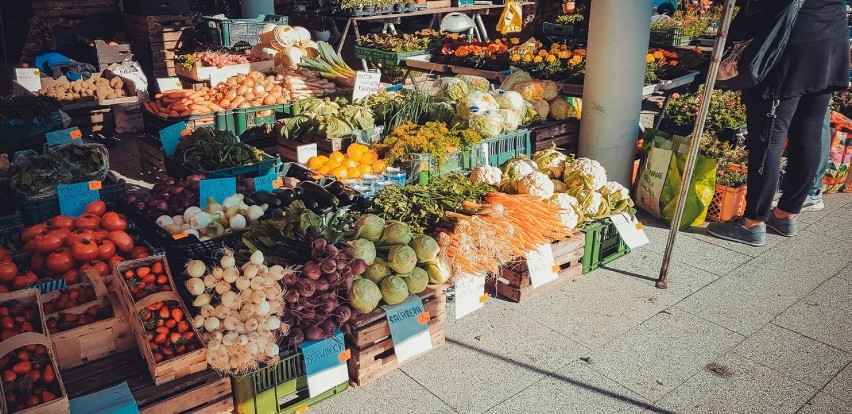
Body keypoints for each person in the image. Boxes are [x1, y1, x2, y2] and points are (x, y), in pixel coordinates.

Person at [707, 0, 850, 246]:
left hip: (788, 40)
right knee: (810, 129)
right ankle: (786, 214)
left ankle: (752, 222)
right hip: (829, 35)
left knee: (769, 134)